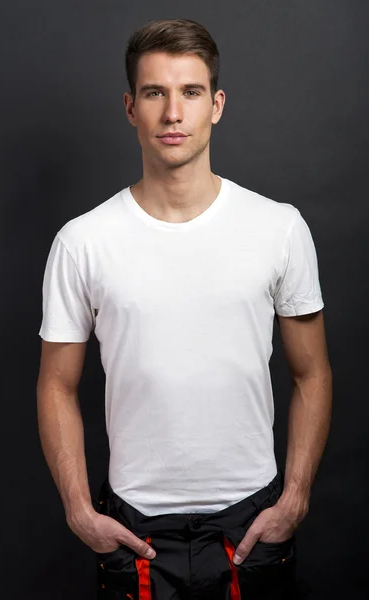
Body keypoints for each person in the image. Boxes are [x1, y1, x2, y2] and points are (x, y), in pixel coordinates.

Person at [36, 18, 332, 600]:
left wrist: (295, 496)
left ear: (216, 105)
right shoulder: (83, 241)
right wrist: (77, 510)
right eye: (155, 93)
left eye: (190, 92)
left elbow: (313, 372)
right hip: (133, 527)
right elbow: (55, 385)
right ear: (130, 108)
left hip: (251, 521)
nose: (173, 113)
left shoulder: (279, 227)